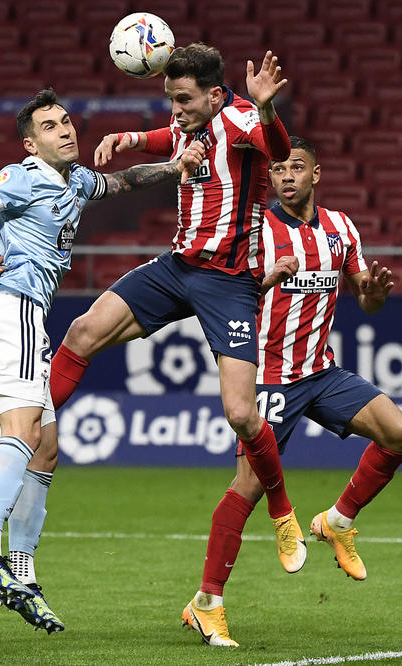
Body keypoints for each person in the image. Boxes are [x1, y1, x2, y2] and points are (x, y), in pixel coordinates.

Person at [0, 88, 205, 633]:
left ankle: (22, 572)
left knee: (46, 450)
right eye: (50, 126)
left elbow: (122, 181)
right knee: (22, 435)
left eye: (66, 121)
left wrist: (175, 166)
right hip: (9, 308)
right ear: (30, 144)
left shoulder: (78, 181)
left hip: (23, 319)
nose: (65, 130)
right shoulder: (22, 177)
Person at [48, 45, 308, 569]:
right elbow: (171, 135)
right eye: (170, 97)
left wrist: (267, 107)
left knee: (242, 415)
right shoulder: (193, 118)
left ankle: (282, 512)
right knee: (81, 332)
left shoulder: (242, 120)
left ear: (214, 95)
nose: (176, 108)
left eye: (184, 99)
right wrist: (128, 138)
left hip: (229, 282)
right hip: (177, 267)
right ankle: (19, 436)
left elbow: (278, 149)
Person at [181, 136, 402, 647]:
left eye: (296, 167)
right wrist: (266, 280)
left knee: (400, 433)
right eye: (279, 169)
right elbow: (225, 296)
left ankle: (337, 521)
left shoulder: (341, 228)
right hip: (267, 375)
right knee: (247, 487)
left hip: (320, 373)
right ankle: (207, 602)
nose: (286, 176)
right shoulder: (255, 230)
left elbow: (365, 296)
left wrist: (373, 296)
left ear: (316, 174)